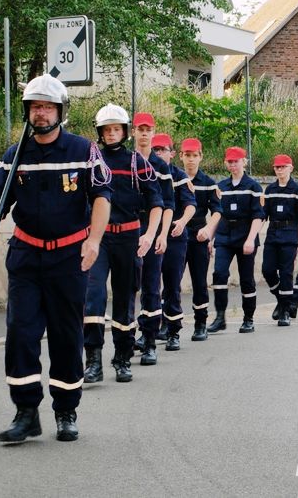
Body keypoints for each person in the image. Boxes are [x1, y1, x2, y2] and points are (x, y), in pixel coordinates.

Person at [0, 74, 111, 443]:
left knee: (66, 335)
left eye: (47, 106)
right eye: (35, 106)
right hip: (25, 256)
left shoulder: (82, 150)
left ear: (60, 111)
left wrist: (94, 241)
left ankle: (66, 410)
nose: (40, 113)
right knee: (20, 332)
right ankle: (26, 412)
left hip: (69, 257)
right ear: (27, 111)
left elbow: (102, 197)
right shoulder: (15, 154)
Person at [82, 104, 163, 384]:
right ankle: (93, 360)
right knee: (93, 296)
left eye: (117, 128)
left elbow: (156, 202)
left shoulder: (137, 162)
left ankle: (122, 358)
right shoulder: (91, 161)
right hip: (99, 239)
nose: (112, 133)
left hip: (129, 238)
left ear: (125, 131)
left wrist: (150, 235)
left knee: (125, 299)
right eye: (107, 129)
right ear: (101, 133)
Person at [131, 113, 175, 366]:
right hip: (128, 227)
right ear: (134, 132)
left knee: (150, 286)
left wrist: (162, 235)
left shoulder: (161, 166)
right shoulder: (126, 160)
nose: (145, 133)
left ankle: (149, 342)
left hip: (153, 225)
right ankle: (127, 340)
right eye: (140, 129)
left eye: (148, 129)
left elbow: (168, 204)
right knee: (129, 286)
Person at [207, 147, 265, 334]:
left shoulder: (253, 187)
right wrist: (210, 237)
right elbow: (217, 214)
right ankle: (220, 317)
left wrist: (250, 239)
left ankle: (248, 318)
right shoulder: (221, 187)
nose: (233, 165)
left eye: (236, 161)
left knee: (247, 279)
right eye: (230, 162)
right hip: (224, 235)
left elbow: (258, 216)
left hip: (245, 235)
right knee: (219, 274)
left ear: (244, 162)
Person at [154, 134, 197, 351]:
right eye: (155, 150)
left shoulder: (179, 176)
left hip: (174, 238)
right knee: (149, 286)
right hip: (150, 237)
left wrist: (182, 221)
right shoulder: (146, 172)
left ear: (172, 153)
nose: (158, 154)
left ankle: (173, 331)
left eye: (162, 150)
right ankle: (149, 332)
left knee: (171, 285)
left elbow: (190, 204)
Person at [182, 138, 222, 342]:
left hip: (198, 235)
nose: (190, 160)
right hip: (176, 235)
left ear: (200, 157)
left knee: (199, 282)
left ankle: (200, 324)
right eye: (187, 155)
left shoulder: (208, 183)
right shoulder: (176, 179)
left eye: (194, 156)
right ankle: (168, 325)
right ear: (181, 156)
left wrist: (208, 230)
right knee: (171, 282)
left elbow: (217, 211)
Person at [262, 154, 298, 326]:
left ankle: (284, 312)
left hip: (289, 235)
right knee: (267, 270)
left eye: (283, 167)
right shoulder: (270, 190)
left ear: (291, 168)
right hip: (273, 233)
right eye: (277, 167)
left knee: (286, 273)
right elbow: (263, 214)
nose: (279, 170)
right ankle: (282, 300)